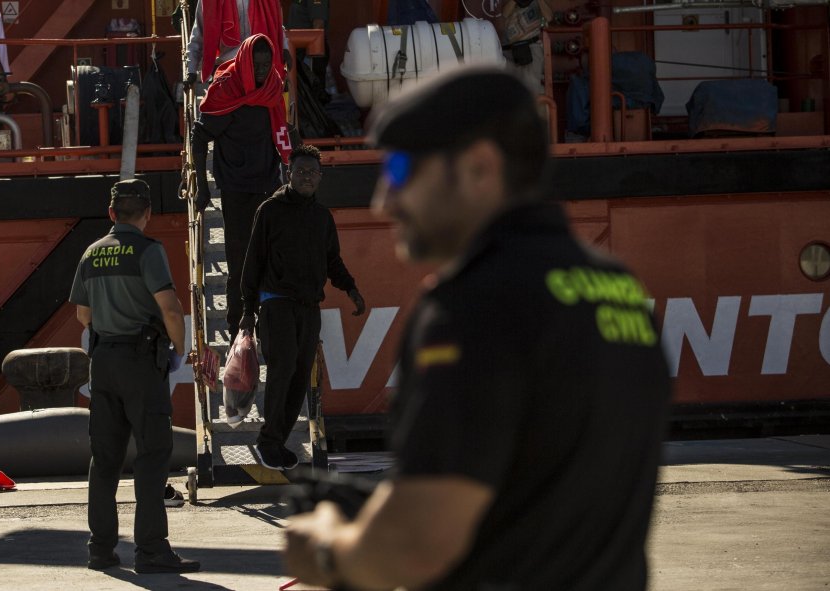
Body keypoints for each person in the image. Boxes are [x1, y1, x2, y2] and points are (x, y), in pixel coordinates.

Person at [282, 66, 672, 590]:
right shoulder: (620, 289)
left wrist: (326, 549)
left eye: (401, 171)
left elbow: (418, 544)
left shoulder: (471, 305)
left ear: (479, 167)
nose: (384, 202)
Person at [69, 179, 200, 575]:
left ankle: (101, 550)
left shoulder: (91, 253)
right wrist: (178, 352)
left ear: (111, 213)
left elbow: (83, 316)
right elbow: (171, 309)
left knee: (105, 459)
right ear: (147, 214)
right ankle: (152, 551)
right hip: (142, 364)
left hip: (104, 362)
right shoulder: (148, 250)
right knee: (152, 456)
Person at [238, 143, 365, 470]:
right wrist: (247, 312)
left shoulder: (322, 217)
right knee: (281, 372)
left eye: (312, 172)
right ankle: (268, 440)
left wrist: (350, 288)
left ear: (320, 178)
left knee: (298, 375)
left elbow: (332, 261)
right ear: (288, 174)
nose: (307, 176)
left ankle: (276, 442)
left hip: (309, 308)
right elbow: (253, 263)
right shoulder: (270, 210)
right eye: (301, 171)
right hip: (276, 304)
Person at [191, 33, 294, 342]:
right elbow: (199, 136)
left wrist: (294, 163)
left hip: (267, 183)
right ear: (246, 62)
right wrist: (200, 187)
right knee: (238, 259)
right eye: (257, 64)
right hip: (235, 187)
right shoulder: (226, 90)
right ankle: (238, 326)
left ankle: (264, 323)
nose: (263, 71)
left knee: (270, 255)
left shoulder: (273, 87)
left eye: (267, 64)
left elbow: (284, 130)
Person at [184, 0, 288, 87]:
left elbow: (276, 24)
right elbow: (199, 34)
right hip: (227, 73)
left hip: (261, 73)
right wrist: (191, 70)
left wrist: (285, 48)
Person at [500, 0, 552, 96]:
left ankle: (530, 109)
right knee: (508, 90)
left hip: (531, 47)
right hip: (509, 49)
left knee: (532, 89)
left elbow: (549, 17)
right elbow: (505, 13)